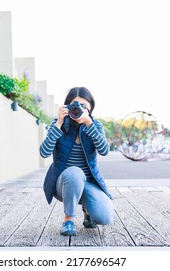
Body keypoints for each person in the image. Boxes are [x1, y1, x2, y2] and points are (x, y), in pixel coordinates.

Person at [39, 87, 114, 236]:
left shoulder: (95, 125)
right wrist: (59, 122)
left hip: (87, 183)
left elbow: (104, 151)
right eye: (75, 104)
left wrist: (89, 124)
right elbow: (44, 152)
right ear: (67, 106)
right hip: (63, 183)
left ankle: (88, 211)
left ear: (90, 108)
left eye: (84, 106)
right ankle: (69, 220)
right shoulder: (58, 124)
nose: (79, 109)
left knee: (105, 217)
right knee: (75, 172)